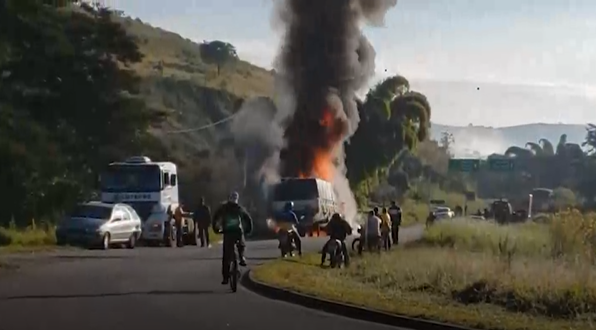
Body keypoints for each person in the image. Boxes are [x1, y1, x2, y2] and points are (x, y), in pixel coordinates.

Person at [212, 191, 253, 285]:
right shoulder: (239, 208)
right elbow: (248, 218)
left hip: (227, 232)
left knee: (226, 255)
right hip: (238, 231)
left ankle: (225, 278)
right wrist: (248, 230)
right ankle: (242, 257)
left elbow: (216, 217)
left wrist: (216, 229)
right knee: (241, 243)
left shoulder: (223, 207)